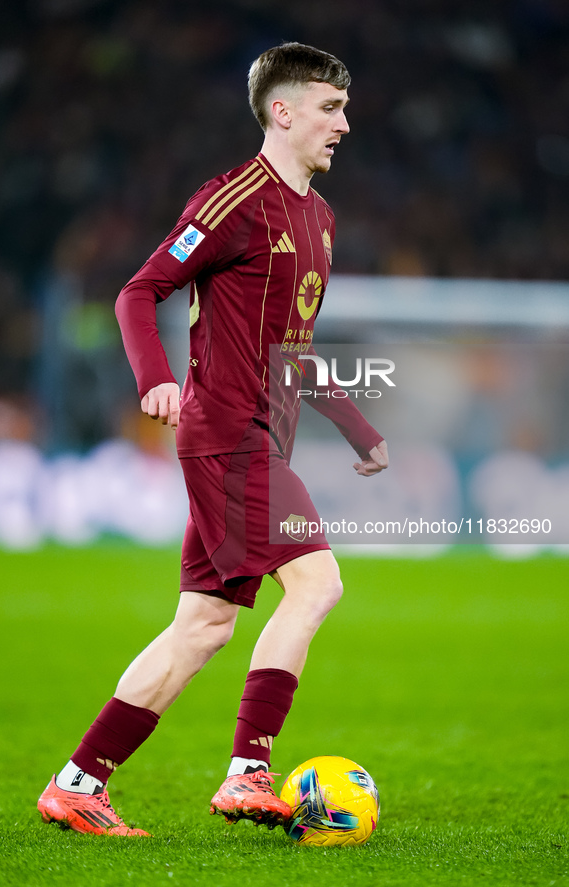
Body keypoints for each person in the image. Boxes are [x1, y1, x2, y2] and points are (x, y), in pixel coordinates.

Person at [37, 41, 388, 837]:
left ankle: (76, 781)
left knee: (202, 625)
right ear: (282, 111)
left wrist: (357, 426)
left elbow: (288, 349)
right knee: (317, 583)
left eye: (343, 106)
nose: (343, 122)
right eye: (329, 108)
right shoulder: (234, 199)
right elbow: (140, 291)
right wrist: (154, 377)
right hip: (227, 433)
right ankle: (248, 770)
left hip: (258, 433)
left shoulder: (319, 217)